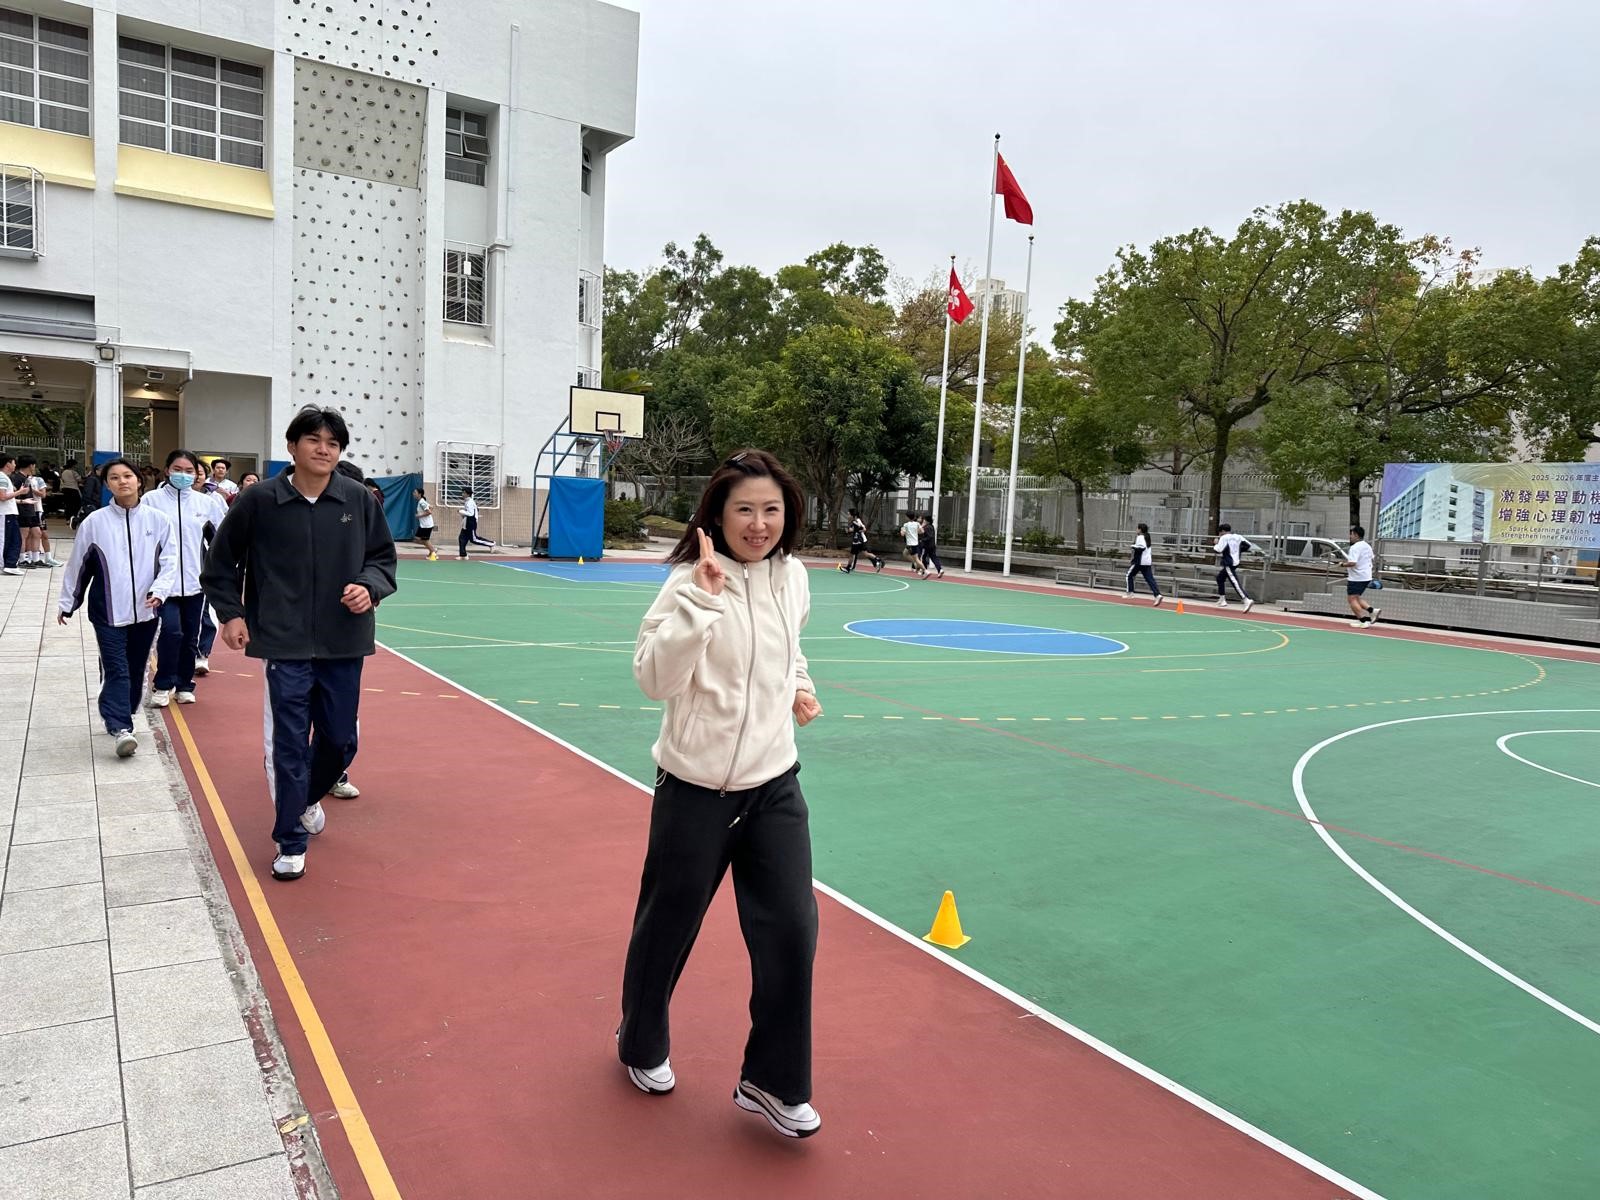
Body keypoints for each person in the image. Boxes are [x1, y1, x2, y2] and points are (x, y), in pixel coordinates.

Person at [620, 448, 823, 1140]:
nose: (759, 524)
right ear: (717, 515)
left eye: (771, 509)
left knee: (792, 930)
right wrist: (704, 603)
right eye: (745, 510)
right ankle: (640, 1040)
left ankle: (773, 1081)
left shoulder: (793, 577)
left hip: (774, 786)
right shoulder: (688, 582)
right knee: (668, 927)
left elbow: (789, 648)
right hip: (695, 789)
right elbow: (654, 679)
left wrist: (799, 687)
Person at [202, 405, 396, 882]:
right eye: (314, 440)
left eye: (333, 443)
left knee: (340, 739)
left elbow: (382, 558)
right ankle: (290, 839)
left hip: (344, 640)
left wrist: (369, 587)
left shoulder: (357, 499)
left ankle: (306, 797)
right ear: (292, 446)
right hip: (282, 642)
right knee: (289, 742)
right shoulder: (260, 500)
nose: (324, 449)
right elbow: (221, 562)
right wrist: (231, 613)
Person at [57, 458, 177, 758]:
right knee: (116, 667)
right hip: (107, 612)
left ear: (139, 481)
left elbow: (170, 562)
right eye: (114, 477)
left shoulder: (159, 521)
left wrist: (160, 590)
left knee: (136, 667)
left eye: (127, 476)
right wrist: (68, 602)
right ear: (107, 485)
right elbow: (78, 565)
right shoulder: (95, 523)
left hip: (146, 610)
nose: (122, 481)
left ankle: (123, 710)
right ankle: (120, 727)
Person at [143, 451, 224, 706]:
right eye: (178, 469)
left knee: (190, 637)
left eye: (189, 471)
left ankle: (185, 685)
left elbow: (219, 542)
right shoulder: (151, 501)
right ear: (167, 470)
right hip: (162, 585)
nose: (183, 475)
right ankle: (162, 685)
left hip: (194, 584)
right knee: (170, 633)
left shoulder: (205, 504)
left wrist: (216, 574)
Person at [1338, 525, 1380, 628]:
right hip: (1366, 576)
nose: (1350, 536)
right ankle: (1372, 611)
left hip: (1357, 577)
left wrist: (1342, 564)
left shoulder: (1355, 547)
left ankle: (1363, 621)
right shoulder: (1367, 546)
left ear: (1356, 535)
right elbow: (1372, 558)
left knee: (1351, 599)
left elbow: (1352, 563)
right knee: (1356, 597)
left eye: (1351, 534)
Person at [1212, 523, 1255, 612]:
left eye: (1220, 533)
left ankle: (1246, 599)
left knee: (1234, 582)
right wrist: (1238, 550)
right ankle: (1222, 599)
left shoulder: (1224, 538)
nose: (1219, 534)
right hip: (1236, 561)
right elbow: (1248, 545)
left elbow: (1219, 549)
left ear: (1222, 531)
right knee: (1220, 578)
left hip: (1229, 562)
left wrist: (1215, 544)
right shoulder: (1238, 536)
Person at [1125, 522, 1164, 606]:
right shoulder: (1147, 537)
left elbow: (1142, 547)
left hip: (1140, 561)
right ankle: (1157, 595)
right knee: (1150, 579)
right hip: (1147, 561)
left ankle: (1130, 592)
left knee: (1129, 575)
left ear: (1140, 529)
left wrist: (1132, 546)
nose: (1136, 530)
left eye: (1137, 528)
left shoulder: (1140, 537)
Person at [837, 508, 883, 573]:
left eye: (849, 514)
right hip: (860, 540)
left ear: (853, 515)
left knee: (852, 554)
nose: (848, 516)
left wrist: (857, 530)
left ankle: (848, 568)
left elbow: (864, 529)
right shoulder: (854, 521)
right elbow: (853, 529)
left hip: (858, 541)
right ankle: (878, 560)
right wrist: (850, 530)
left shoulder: (857, 521)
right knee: (865, 554)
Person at [457, 487, 495, 558]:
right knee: (462, 538)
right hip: (466, 523)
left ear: (468, 494)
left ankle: (491, 544)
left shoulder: (470, 502)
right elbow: (476, 510)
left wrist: (461, 511)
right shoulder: (468, 501)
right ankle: (463, 555)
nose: (462, 494)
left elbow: (471, 513)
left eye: (463, 493)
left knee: (474, 539)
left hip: (471, 523)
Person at [1, 453, 22, 575]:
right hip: (5, 514)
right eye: (13, 463)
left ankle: (10, 564)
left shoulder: (4, 477)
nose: (15, 465)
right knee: (7, 540)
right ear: (7, 464)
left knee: (15, 539)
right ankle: (7, 564)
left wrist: (22, 501)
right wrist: (20, 492)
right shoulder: (2, 478)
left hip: (9, 513)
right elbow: (3, 497)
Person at [414, 487, 438, 560]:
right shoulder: (422, 501)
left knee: (425, 540)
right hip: (423, 525)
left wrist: (419, 515)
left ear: (419, 494)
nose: (413, 494)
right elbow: (431, 507)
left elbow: (429, 512)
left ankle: (433, 552)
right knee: (417, 539)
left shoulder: (422, 502)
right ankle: (432, 549)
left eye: (415, 492)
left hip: (427, 525)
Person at [918, 514, 945, 579]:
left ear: (927, 521)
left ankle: (924, 571)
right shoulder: (931, 526)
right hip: (932, 545)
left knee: (923, 558)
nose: (923, 520)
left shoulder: (926, 527)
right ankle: (940, 569)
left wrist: (922, 540)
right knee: (934, 557)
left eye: (924, 519)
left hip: (926, 546)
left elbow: (928, 536)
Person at [900, 511, 925, 575]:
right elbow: (922, 531)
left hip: (910, 544)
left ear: (908, 517)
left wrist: (901, 530)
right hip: (915, 543)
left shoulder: (906, 525)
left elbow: (902, 534)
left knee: (916, 559)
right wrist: (916, 531)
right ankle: (916, 565)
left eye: (906, 516)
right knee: (905, 553)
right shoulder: (917, 524)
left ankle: (925, 570)